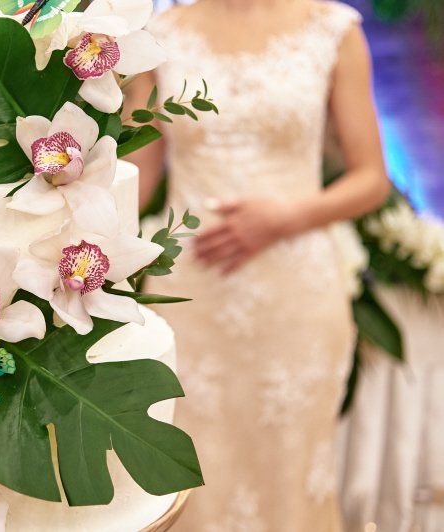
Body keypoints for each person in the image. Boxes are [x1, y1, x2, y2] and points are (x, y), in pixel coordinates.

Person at [125, 0, 390, 530]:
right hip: (190, 297)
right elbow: (137, 178)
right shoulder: (155, 34)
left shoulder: (333, 29)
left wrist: (285, 218)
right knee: (192, 473)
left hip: (296, 296)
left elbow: (372, 179)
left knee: (290, 476)